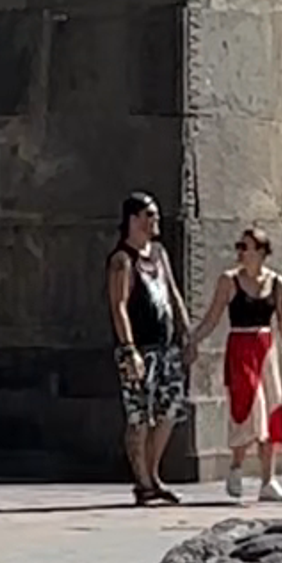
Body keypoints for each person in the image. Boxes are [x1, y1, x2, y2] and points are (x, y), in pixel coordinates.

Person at [196, 223, 282, 498]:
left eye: (246, 247)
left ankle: (269, 480)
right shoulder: (229, 280)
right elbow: (213, 317)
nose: (241, 252)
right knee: (247, 409)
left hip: (266, 349)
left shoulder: (277, 283)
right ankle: (236, 466)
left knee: (272, 408)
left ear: (262, 251)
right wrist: (193, 340)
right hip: (240, 348)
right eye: (239, 247)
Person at [108, 196, 191, 508]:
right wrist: (129, 349)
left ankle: (153, 474)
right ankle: (142, 481)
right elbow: (118, 305)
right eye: (149, 215)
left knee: (169, 410)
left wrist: (186, 333)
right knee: (139, 415)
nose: (155, 220)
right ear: (134, 218)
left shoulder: (158, 253)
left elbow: (172, 292)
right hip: (140, 349)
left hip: (166, 346)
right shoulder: (122, 259)